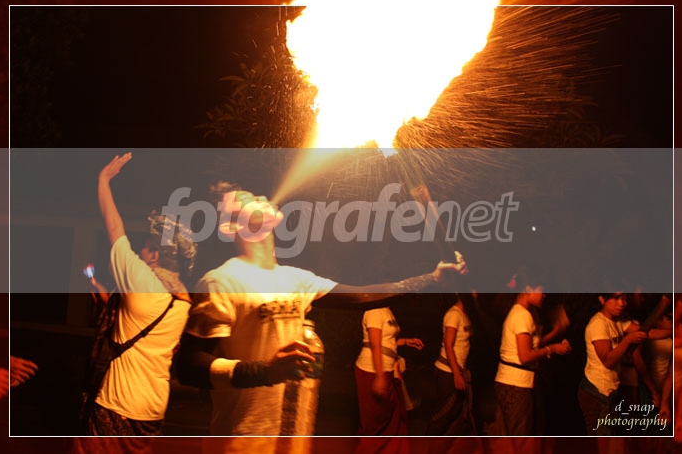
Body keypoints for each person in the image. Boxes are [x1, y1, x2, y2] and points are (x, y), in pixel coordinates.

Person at [176, 181, 468, 442]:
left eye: (257, 193)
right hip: (243, 440)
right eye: (246, 198)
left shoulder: (295, 279)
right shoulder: (222, 281)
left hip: (295, 438)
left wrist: (432, 278)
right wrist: (265, 371)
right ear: (229, 226)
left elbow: (363, 295)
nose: (261, 197)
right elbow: (188, 366)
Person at [79, 153, 197, 436]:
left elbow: (113, 226)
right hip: (152, 412)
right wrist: (108, 301)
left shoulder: (141, 280)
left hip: (115, 406)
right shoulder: (183, 302)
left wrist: (103, 180)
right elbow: (143, 327)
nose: (140, 252)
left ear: (155, 254)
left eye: (144, 247)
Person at [493, 268, 571, 436]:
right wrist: (552, 349)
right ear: (528, 289)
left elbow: (531, 345)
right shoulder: (522, 316)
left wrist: (555, 334)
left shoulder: (524, 313)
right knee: (521, 438)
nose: (544, 294)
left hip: (512, 383)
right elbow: (525, 356)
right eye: (541, 289)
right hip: (516, 384)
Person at [577, 291, 649, 435]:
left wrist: (673, 329)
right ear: (602, 299)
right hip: (596, 392)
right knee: (603, 441)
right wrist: (627, 340)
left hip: (609, 392)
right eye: (616, 298)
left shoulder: (618, 321)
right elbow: (607, 361)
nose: (621, 303)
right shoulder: (598, 324)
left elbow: (645, 332)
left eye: (624, 299)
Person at [354, 306, 423, 453]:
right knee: (375, 422)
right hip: (371, 370)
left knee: (395, 417)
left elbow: (387, 340)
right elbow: (375, 344)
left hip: (389, 369)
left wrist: (404, 342)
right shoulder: (374, 311)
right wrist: (379, 376)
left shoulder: (388, 310)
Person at [426, 293, 476, 436]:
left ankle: (445, 444)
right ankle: (428, 442)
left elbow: (463, 345)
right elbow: (448, 345)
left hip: (458, 369)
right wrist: (457, 374)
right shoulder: (453, 315)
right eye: (473, 290)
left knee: (456, 413)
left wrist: (464, 369)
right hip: (447, 371)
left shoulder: (464, 314)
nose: (476, 294)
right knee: (444, 413)